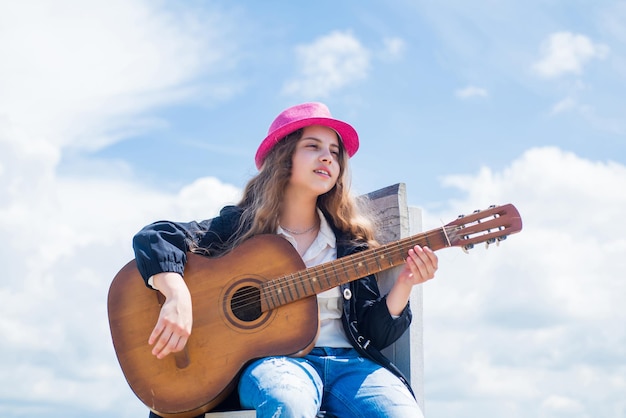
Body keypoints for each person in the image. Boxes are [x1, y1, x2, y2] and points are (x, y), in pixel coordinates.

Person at [133, 102, 438, 418]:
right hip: (278, 363)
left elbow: (375, 333)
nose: (327, 157)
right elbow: (155, 237)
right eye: (313, 146)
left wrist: (405, 285)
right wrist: (175, 293)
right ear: (284, 157)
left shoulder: (349, 243)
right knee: (287, 404)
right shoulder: (242, 229)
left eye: (335, 152)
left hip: (351, 366)